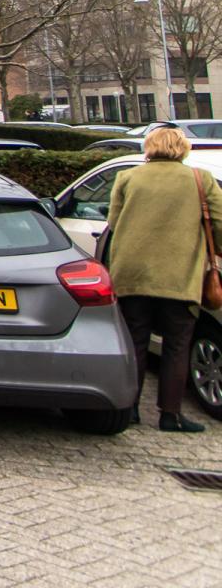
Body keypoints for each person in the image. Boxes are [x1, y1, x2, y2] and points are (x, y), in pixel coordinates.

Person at [104, 125, 222, 432]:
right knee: (177, 346)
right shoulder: (200, 180)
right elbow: (220, 225)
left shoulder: (127, 177)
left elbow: (114, 223)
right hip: (179, 277)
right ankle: (171, 415)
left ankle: (129, 409)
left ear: (149, 147)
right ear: (182, 148)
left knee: (135, 342)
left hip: (132, 274)